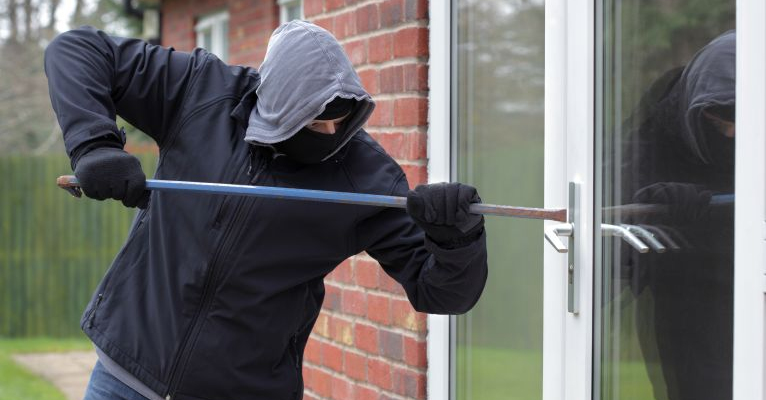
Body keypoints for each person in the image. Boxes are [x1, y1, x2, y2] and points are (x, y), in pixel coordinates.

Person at [44, 21, 488, 400]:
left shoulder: (365, 177)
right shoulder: (202, 93)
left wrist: (457, 239)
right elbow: (77, 49)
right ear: (273, 102)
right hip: (124, 374)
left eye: (341, 120)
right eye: (314, 121)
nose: (330, 133)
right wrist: (94, 145)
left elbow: (442, 293)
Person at [617, 31, 735, 400]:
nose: (731, 133)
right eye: (719, 121)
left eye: (741, 120)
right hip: (680, 295)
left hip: (746, 282)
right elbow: (619, 207)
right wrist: (658, 204)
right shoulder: (656, 131)